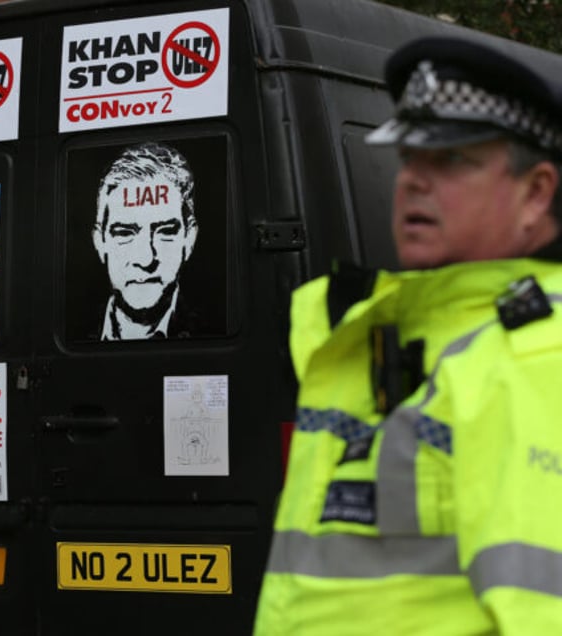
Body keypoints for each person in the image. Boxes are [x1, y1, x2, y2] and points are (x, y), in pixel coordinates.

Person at [254, 36, 562, 634]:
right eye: (410, 160)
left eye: (452, 161)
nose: (414, 182)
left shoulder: (537, 357)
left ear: (536, 193)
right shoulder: (396, 335)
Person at [92, 141, 200, 340]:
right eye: (124, 234)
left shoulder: (209, 330)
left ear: (189, 238)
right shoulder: (74, 331)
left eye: (165, 232)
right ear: (100, 241)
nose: (145, 259)